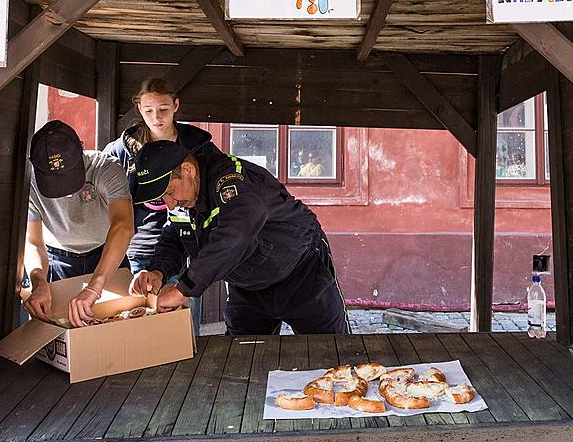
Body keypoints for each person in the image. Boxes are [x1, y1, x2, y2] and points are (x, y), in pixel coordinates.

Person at [130, 140, 351, 335]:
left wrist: (183, 290)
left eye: (169, 192)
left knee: (333, 353)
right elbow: (176, 235)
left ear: (188, 170)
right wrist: (158, 271)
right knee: (240, 357)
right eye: (163, 198)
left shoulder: (229, 178)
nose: (170, 203)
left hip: (301, 273)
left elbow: (238, 230)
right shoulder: (182, 200)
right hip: (247, 287)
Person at [103, 78, 221, 279]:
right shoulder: (121, 150)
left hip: (185, 243)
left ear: (176, 106)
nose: (156, 118)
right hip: (138, 245)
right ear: (139, 108)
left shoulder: (198, 146)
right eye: (148, 110)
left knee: (179, 307)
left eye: (163, 109)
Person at [23, 120, 134, 328]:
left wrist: (95, 286)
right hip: (57, 260)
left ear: (81, 151)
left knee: (119, 330)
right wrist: (38, 281)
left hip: (107, 256)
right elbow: (33, 241)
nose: (65, 191)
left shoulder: (105, 167)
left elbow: (123, 225)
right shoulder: (29, 183)